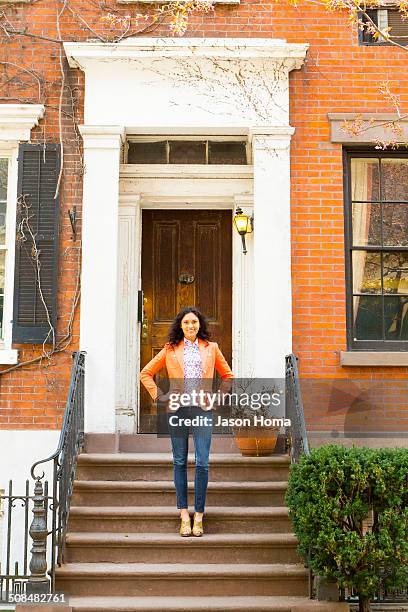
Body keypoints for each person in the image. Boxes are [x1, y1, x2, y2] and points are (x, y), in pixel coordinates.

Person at [140, 306, 233, 537]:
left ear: (200, 324)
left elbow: (228, 376)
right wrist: (160, 396)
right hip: (178, 410)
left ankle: (199, 515)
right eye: (186, 323)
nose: (190, 326)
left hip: (202, 409)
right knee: (179, 461)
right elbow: (145, 373)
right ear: (180, 327)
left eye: (194, 322)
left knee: (202, 462)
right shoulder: (170, 349)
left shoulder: (212, 348)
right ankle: (183, 514)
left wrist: (216, 398)